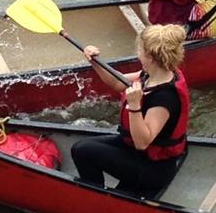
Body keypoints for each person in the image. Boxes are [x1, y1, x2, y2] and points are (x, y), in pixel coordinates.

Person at [71, 24, 189, 197]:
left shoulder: (165, 97)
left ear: (149, 57)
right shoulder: (153, 73)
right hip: (139, 153)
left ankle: (98, 201)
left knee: (85, 152)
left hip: (153, 169)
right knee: (80, 149)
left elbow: (143, 142)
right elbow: (117, 83)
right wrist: (94, 61)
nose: (138, 54)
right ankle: (97, 195)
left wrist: (134, 106)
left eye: (140, 50)